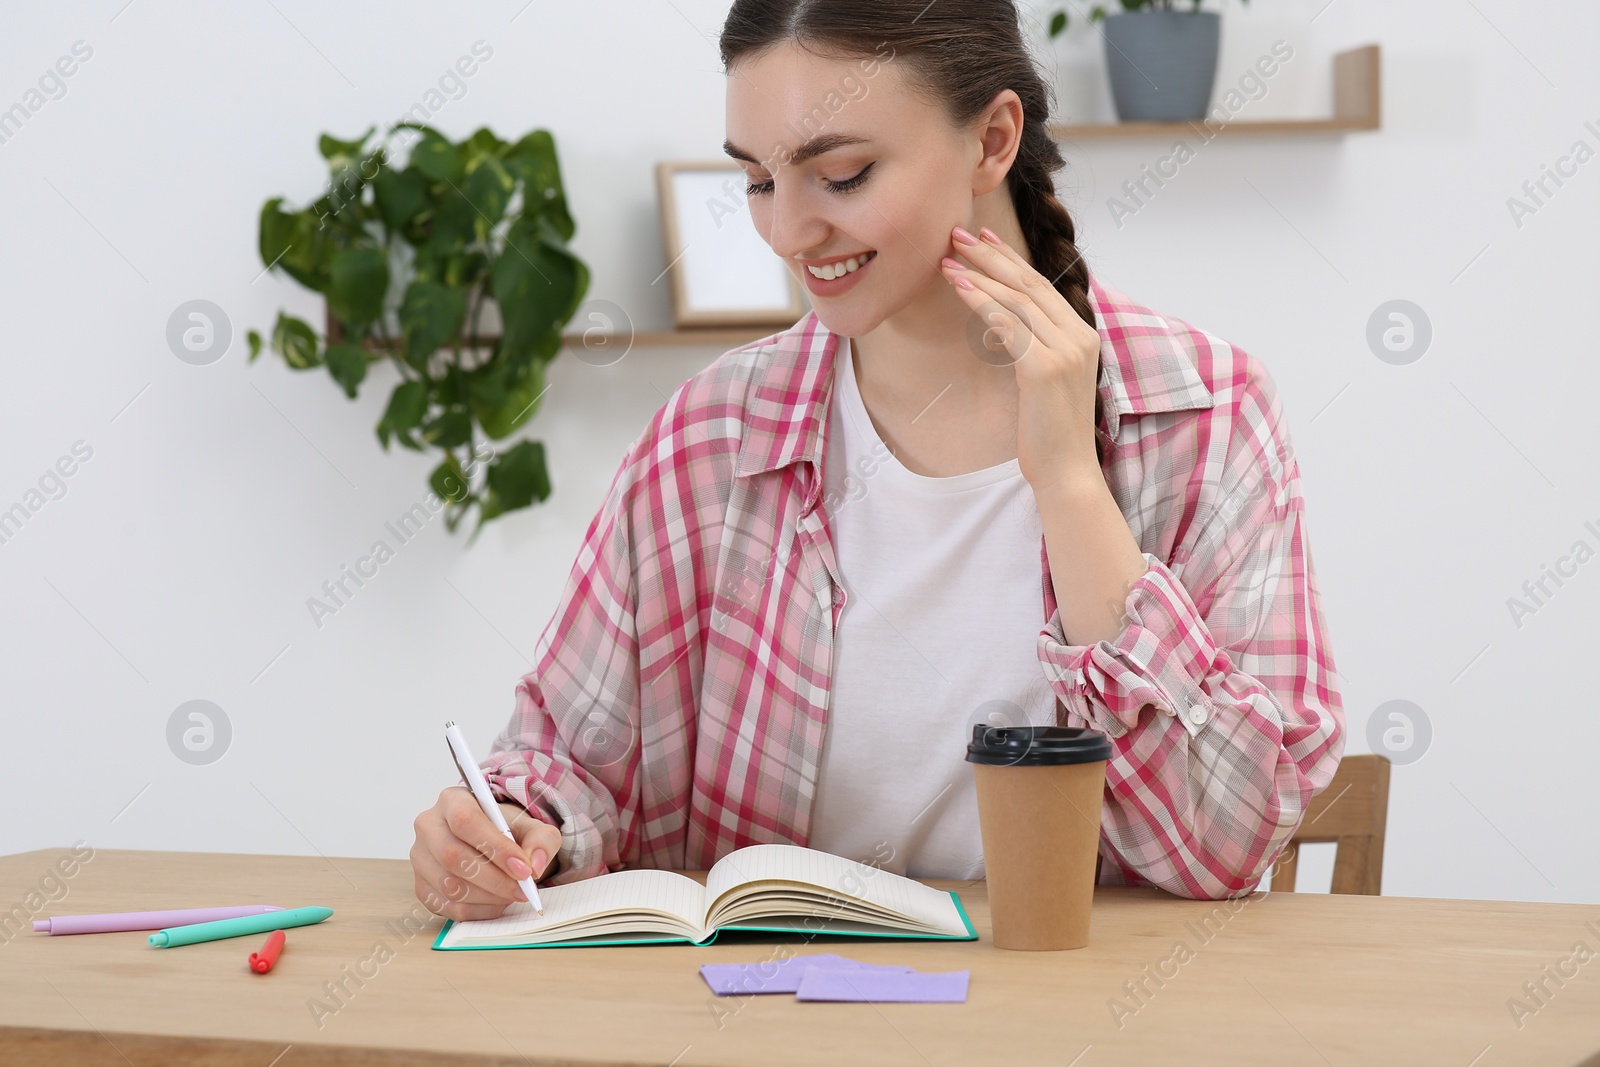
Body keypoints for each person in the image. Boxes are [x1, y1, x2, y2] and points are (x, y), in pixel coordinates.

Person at [409, 0, 1344, 921]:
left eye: (843, 175)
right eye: (761, 181)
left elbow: (1230, 842)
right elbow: (565, 759)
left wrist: (1068, 484)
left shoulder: (1205, 415)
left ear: (992, 141)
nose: (786, 233)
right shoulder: (711, 438)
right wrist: (509, 827)